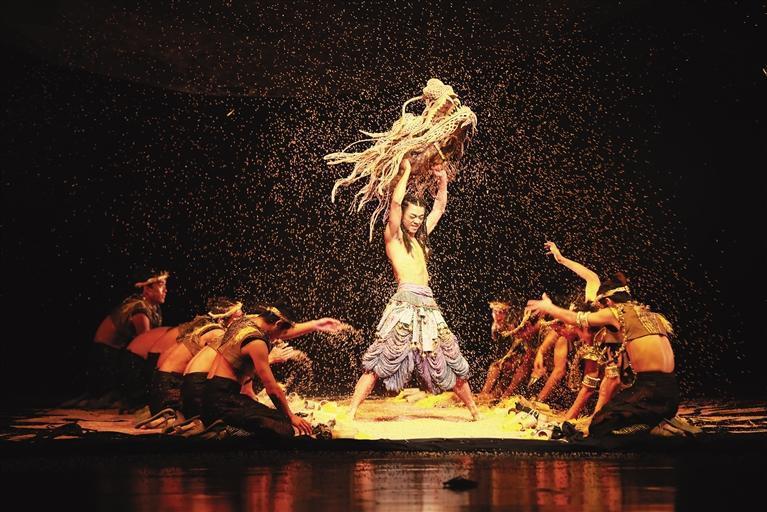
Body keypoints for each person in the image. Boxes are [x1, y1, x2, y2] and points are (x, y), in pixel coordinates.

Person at [346, 152, 479, 420]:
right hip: (405, 303)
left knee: (449, 357)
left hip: (428, 305)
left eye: (420, 216)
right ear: (403, 216)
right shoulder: (393, 236)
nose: (417, 221)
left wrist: (442, 181)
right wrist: (406, 170)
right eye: (413, 216)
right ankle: (351, 411)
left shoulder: (421, 238)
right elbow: (396, 203)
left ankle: (475, 411)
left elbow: (439, 208)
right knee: (380, 359)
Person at [526, 273, 678, 437]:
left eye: (601, 307)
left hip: (650, 392)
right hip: (671, 393)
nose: (599, 311)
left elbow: (577, 318)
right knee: (602, 418)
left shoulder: (616, 313)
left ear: (608, 302)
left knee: (600, 428)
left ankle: (650, 427)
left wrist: (549, 308)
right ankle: (654, 421)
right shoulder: (649, 315)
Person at [201, 303, 343, 438]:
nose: (279, 338)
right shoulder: (257, 342)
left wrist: (315, 324)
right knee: (285, 428)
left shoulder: (244, 322)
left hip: (210, 392)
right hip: (222, 400)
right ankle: (225, 432)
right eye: (282, 332)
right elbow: (272, 389)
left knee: (277, 417)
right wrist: (291, 416)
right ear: (277, 324)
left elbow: (278, 331)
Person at [140, 297, 243, 425]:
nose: (242, 321)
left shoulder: (206, 329)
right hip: (169, 392)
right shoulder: (217, 333)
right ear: (222, 319)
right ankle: (173, 417)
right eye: (238, 318)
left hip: (160, 388)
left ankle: (170, 416)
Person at [86, 270, 168, 407]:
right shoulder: (140, 307)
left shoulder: (153, 307)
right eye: (161, 285)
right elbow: (146, 343)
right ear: (147, 288)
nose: (165, 289)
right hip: (105, 356)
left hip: (116, 354)